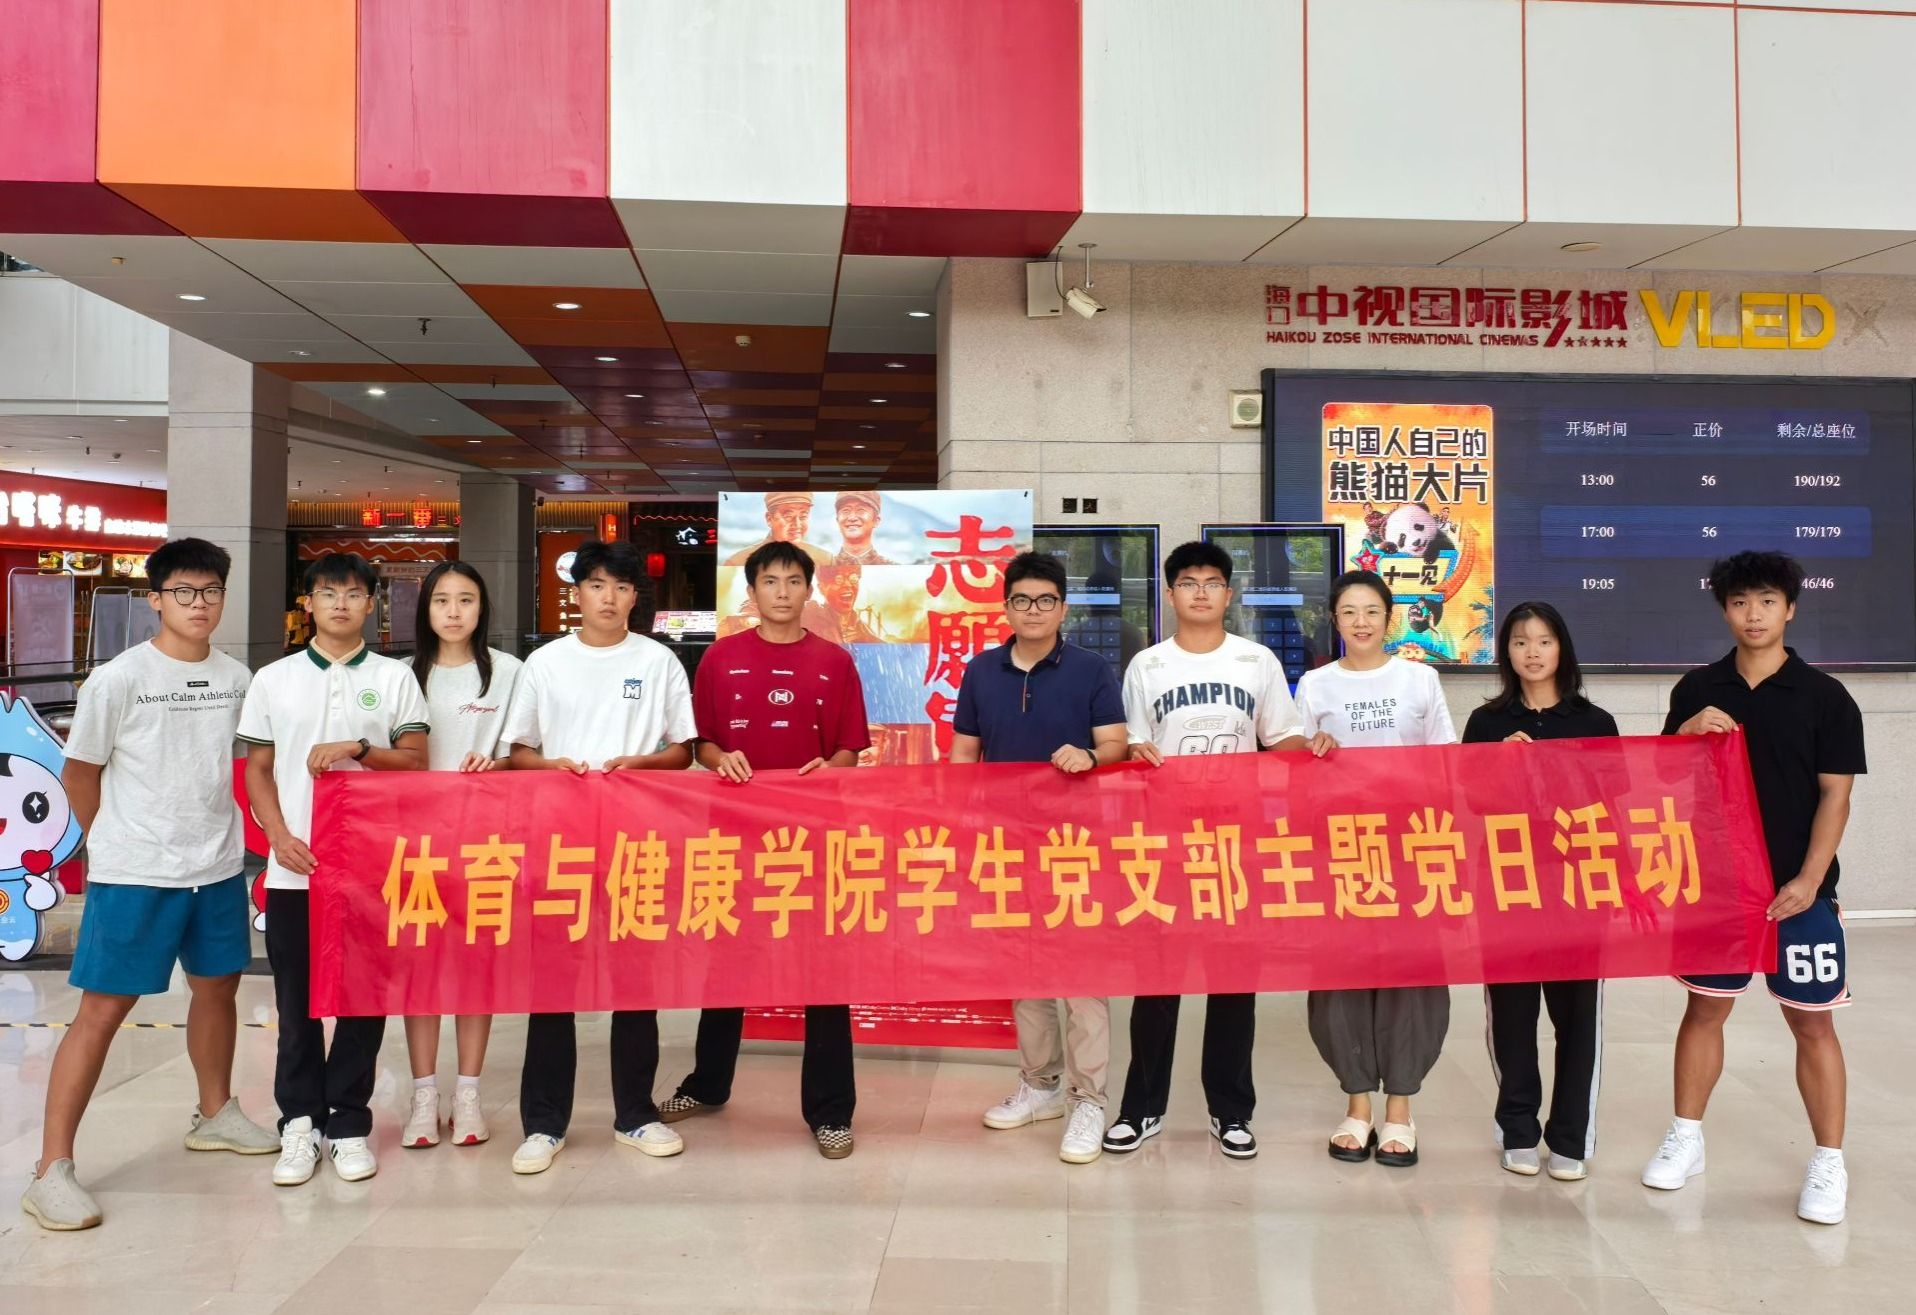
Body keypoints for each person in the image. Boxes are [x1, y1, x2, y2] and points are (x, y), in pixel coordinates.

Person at [21, 539, 276, 1231]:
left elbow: (251, 764)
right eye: (184, 592)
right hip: (135, 872)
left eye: (211, 591)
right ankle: (51, 1168)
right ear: (156, 599)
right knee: (102, 1010)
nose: (199, 604)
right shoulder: (119, 678)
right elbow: (81, 772)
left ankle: (216, 1111)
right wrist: (111, 839)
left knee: (218, 988)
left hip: (215, 866)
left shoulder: (237, 678)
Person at [1639, 551, 1865, 1225]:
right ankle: (1686, 1136)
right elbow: (1664, 778)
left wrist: (1809, 879)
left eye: (1767, 600)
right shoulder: (1697, 687)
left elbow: (1836, 795)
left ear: (1790, 608)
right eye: (1740, 602)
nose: (1754, 614)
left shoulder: (1826, 695)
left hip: (1800, 893)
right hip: (1718, 889)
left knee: (1812, 1022)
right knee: (1704, 1009)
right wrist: (1685, 734)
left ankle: (1829, 1159)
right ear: (1724, 610)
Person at [657, 541, 872, 1159]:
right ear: (751, 591)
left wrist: (829, 768)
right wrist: (721, 758)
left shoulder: (835, 661)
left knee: (823, 975)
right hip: (734, 837)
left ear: (809, 589)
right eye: (770, 581)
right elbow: (700, 744)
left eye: (793, 580)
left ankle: (831, 1111)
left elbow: (849, 750)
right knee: (727, 966)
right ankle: (708, 1083)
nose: (782, 591)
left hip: (815, 840)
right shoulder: (720, 659)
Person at [499, 539, 696, 1176]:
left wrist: (640, 764)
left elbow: (684, 750)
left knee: (636, 985)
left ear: (636, 597)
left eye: (621, 587)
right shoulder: (546, 663)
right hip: (558, 844)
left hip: (637, 844)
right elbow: (519, 751)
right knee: (552, 986)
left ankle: (635, 1114)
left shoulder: (658, 660)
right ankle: (543, 1123)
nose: (608, 598)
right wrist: (549, 766)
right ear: (577, 592)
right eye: (596, 585)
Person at [1105, 540, 1306, 1161]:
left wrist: (1317, 747)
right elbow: (1130, 746)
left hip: (1234, 842)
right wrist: (1134, 754)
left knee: (1233, 982)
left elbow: (1283, 739)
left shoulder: (1256, 660)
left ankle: (1231, 1111)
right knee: (1156, 982)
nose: (1200, 592)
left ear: (1228, 593)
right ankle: (1141, 1108)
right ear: (1170, 595)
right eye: (1188, 582)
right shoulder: (1147, 666)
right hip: (1164, 842)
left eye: (1211, 582)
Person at [238, 552, 429, 1188]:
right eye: (327, 593)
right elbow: (258, 770)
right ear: (308, 604)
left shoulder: (395, 678)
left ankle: (348, 1123)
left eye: (352, 594)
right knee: (296, 1005)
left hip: (372, 870)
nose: (340, 604)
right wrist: (277, 836)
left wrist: (359, 748)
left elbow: (415, 760)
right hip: (297, 868)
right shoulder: (274, 679)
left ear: (372, 604)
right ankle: (299, 1122)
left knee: (362, 1002)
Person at [951, 551, 1128, 1164]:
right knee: (1025, 974)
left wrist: (1090, 755)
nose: (1033, 610)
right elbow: (963, 756)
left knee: (1082, 979)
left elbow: (1116, 743)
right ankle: (1040, 1085)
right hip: (1006, 844)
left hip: (1076, 847)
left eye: (1045, 600)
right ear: (1006, 606)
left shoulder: (1091, 669)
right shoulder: (981, 671)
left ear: (1062, 608)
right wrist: (963, 825)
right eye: (1022, 600)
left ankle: (1089, 1100)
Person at [1294, 569, 1454, 1169]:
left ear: (1390, 617)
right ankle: (1357, 1105)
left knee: (1412, 975)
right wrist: (1314, 755)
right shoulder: (1315, 684)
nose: (1360, 622)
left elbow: (1445, 763)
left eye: (1371, 611)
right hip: (1339, 850)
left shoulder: (1420, 678)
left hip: (1411, 849)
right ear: (1334, 620)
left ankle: (1401, 1110)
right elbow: (1292, 770)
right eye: (1348, 612)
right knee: (1341, 976)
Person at [1461, 601, 1617, 1183]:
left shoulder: (1596, 722)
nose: (1532, 652)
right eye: (1521, 641)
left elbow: (1611, 803)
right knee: (1512, 1015)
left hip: (1578, 887)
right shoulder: (1486, 722)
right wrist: (1502, 765)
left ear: (1562, 649)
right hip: (1508, 887)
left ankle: (1571, 1137)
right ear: (1506, 651)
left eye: (1544, 641)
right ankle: (1519, 1130)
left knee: (1577, 1019)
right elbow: (1472, 800)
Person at [400, 561, 523, 1152]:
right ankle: (424, 1095)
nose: (453, 611)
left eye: (466, 600)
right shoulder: (402, 675)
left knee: (475, 968)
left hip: (485, 844)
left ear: (483, 608)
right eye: (442, 600)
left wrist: (498, 764)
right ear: (425, 608)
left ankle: (468, 1092)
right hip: (414, 846)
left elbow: (529, 753)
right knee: (420, 971)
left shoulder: (510, 673)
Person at [722, 492, 833, 568]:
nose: (797, 524)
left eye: (803, 516)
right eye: (788, 516)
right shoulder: (738, 562)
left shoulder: (825, 560)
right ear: (769, 519)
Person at [817, 564, 886, 644]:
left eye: (854, 578)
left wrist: (865, 638)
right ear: (822, 588)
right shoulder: (813, 617)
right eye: (839, 579)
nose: (848, 585)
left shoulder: (861, 626)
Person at [832, 491, 894, 565]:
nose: (852, 518)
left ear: (876, 521)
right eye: (846, 511)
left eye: (861, 510)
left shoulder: (894, 568)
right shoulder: (824, 565)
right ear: (837, 520)